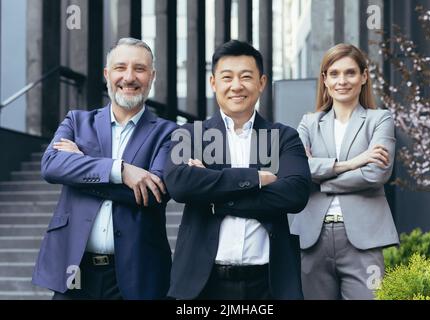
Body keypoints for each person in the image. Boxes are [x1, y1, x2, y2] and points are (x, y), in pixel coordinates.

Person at [32, 38, 178, 299]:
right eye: (120, 67)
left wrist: (80, 170)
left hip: (138, 274)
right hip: (75, 271)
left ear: (152, 76)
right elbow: (51, 165)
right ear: (107, 74)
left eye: (140, 69)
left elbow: (155, 192)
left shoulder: (170, 133)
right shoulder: (77, 121)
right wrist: (120, 170)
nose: (129, 77)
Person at [164, 40, 311, 300]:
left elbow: (295, 194)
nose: (236, 86)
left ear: (262, 83)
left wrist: (214, 197)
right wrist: (255, 178)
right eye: (227, 77)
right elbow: (180, 184)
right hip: (204, 284)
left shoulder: (284, 137)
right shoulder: (190, 134)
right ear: (213, 83)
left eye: (246, 77)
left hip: (268, 284)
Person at [290, 43, 399, 300]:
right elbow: (296, 169)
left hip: (364, 240)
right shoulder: (309, 122)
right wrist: (353, 163)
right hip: (312, 238)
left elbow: (376, 174)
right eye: (335, 73)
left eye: (350, 72)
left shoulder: (379, 119)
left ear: (364, 76)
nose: (343, 80)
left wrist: (321, 179)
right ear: (325, 79)